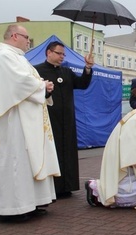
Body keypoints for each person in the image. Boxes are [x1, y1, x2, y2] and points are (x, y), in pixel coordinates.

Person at [0, 25, 60, 222]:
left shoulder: (18, 57)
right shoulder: (4, 56)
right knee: (15, 163)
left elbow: (29, 81)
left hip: (27, 121)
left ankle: (30, 203)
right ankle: (13, 208)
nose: (29, 41)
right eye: (27, 37)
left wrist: (44, 87)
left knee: (27, 162)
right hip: (14, 123)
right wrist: (42, 85)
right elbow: (20, 83)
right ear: (15, 35)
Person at [34, 41, 94, 198]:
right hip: (49, 121)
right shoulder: (37, 71)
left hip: (67, 120)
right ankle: (53, 187)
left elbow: (82, 84)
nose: (62, 57)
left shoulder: (66, 71)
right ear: (49, 53)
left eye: (63, 54)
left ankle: (68, 185)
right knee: (53, 152)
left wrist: (87, 68)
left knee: (67, 152)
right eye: (59, 53)